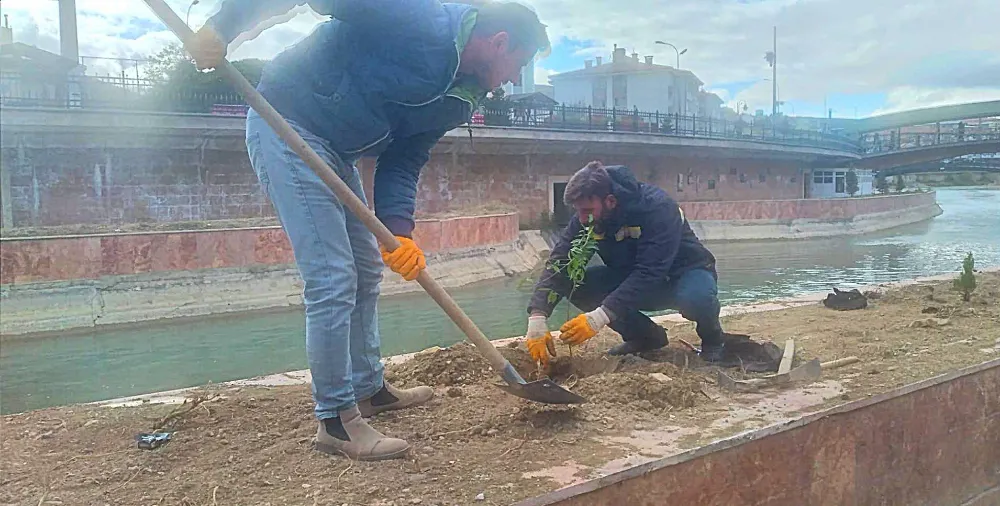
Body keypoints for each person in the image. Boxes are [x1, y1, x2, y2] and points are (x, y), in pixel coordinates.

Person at [187, 0, 549, 461]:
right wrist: (225, 25)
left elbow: (405, 159)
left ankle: (367, 389)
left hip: (339, 151)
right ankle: (336, 422)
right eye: (518, 64)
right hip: (289, 121)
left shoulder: (461, 96)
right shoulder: (422, 19)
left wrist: (400, 232)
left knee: (364, 269)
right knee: (332, 277)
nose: (516, 78)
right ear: (499, 42)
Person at [524, 161, 727, 368]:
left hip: (686, 274)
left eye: (587, 210)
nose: (582, 219)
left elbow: (650, 271)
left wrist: (598, 318)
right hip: (633, 279)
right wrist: (537, 317)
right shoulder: (587, 218)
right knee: (579, 285)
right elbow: (561, 262)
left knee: (696, 298)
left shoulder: (659, 208)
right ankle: (646, 337)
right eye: (578, 211)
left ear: (610, 201)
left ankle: (713, 339)